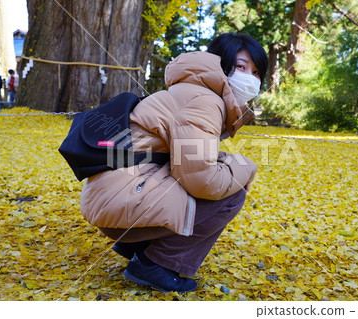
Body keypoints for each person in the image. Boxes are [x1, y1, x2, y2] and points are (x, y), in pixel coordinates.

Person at [80, 33, 268, 292]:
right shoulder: (204, 101)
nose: (250, 77)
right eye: (240, 66)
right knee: (230, 195)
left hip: (114, 198)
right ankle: (154, 264)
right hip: (121, 202)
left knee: (222, 173)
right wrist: (246, 168)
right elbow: (202, 181)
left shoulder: (191, 91)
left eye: (256, 72)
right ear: (220, 63)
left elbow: (189, 158)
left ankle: (138, 245)